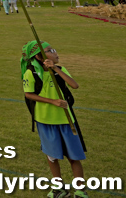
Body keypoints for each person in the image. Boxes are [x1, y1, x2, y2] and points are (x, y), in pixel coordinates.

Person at [21, 41, 88, 198]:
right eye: (50, 50)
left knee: (73, 156)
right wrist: (53, 102)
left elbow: (74, 85)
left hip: (66, 120)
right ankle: (59, 188)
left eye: (53, 49)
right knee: (52, 156)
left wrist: (55, 68)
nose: (55, 52)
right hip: (45, 120)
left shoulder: (60, 70)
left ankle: (80, 189)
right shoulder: (31, 73)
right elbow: (28, 94)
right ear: (39, 56)